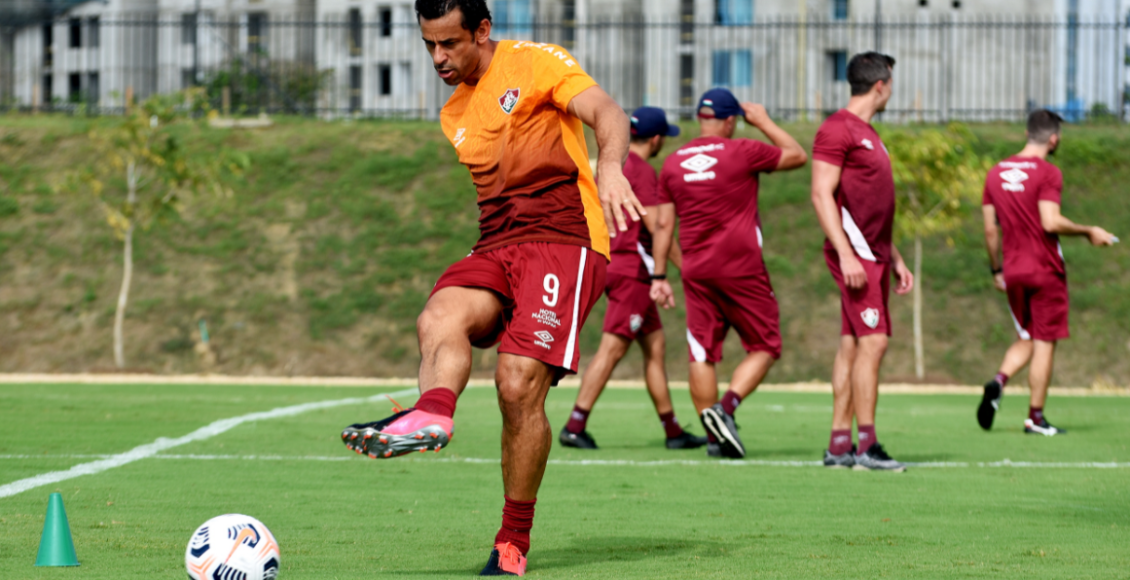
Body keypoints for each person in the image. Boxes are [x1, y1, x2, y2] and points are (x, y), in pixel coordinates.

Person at [339, 1, 645, 576]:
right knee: (439, 316)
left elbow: (606, 110)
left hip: (566, 239)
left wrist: (610, 166)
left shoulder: (534, 61)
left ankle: (512, 541)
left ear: (482, 30)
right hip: (498, 245)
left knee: (516, 384)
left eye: (450, 43)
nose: (438, 57)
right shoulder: (454, 113)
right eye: (429, 44)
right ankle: (433, 412)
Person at [650, 88, 808, 459]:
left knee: (702, 353)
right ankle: (727, 409)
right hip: (741, 268)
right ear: (731, 120)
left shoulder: (672, 163)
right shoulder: (743, 150)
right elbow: (798, 155)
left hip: (695, 270)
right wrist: (765, 121)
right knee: (766, 345)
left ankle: (714, 438)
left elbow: (662, 225)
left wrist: (659, 277)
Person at [559, 107, 707, 451]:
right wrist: (672, 272)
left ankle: (673, 431)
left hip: (611, 262)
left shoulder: (615, 165)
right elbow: (658, 226)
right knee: (612, 349)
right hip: (633, 273)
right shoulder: (642, 170)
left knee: (655, 347)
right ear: (655, 140)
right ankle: (574, 424)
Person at [976, 109, 1116, 436]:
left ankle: (998, 382)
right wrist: (1088, 230)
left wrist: (996, 269)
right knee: (1044, 342)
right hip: (1045, 269)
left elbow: (989, 230)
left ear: (1028, 133)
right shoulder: (1048, 172)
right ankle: (1035, 418)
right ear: (1053, 138)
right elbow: (1050, 221)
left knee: (1027, 335)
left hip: (1013, 270)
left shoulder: (995, 173)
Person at [810, 52, 914, 472]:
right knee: (875, 342)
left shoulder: (866, 132)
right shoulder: (838, 129)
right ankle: (867, 446)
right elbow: (821, 194)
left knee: (853, 345)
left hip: (875, 255)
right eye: (892, 81)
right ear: (881, 85)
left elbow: (874, 205)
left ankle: (839, 445)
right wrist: (848, 253)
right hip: (857, 256)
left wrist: (897, 258)